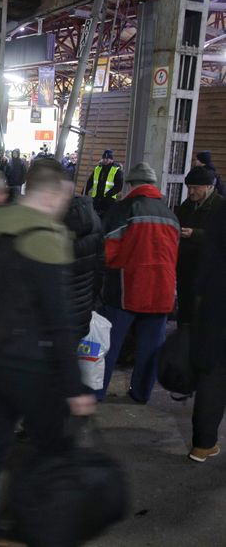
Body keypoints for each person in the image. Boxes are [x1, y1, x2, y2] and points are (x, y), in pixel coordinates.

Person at [0, 159, 96, 547]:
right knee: (50, 449)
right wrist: (75, 388)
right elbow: (58, 322)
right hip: (28, 362)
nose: (65, 206)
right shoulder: (45, 236)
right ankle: (30, 528)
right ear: (50, 194)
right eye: (64, 197)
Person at [96, 162, 180, 403]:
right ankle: (141, 394)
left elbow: (108, 251)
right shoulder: (170, 215)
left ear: (130, 185)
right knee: (151, 350)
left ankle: (96, 392)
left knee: (109, 345)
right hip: (161, 292)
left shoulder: (123, 209)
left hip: (127, 290)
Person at [188, 201, 226, 462]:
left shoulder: (221, 212)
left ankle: (202, 445)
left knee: (212, 376)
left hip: (216, 306)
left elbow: (205, 261)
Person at [175, 167, 224, 325]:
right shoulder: (186, 206)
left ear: (209, 186)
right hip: (185, 268)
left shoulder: (220, 207)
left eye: (195, 187)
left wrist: (194, 234)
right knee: (184, 311)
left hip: (206, 270)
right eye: (189, 187)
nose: (191, 192)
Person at [62, 194, 103, 341]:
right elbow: (100, 268)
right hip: (83, 310)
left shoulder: (55, 225)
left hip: (56, 315)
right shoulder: (96, 221)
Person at [84, 149, 124, 216]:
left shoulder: (116, 170)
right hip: (96, 198)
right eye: (104, 158)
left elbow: (119, 185)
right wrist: (84, 191)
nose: (105, 160)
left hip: (108, 200)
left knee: (105, 218)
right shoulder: (98, 168)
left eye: (108, 158)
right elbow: (90, 181)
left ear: (111, 159)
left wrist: (109, 194)